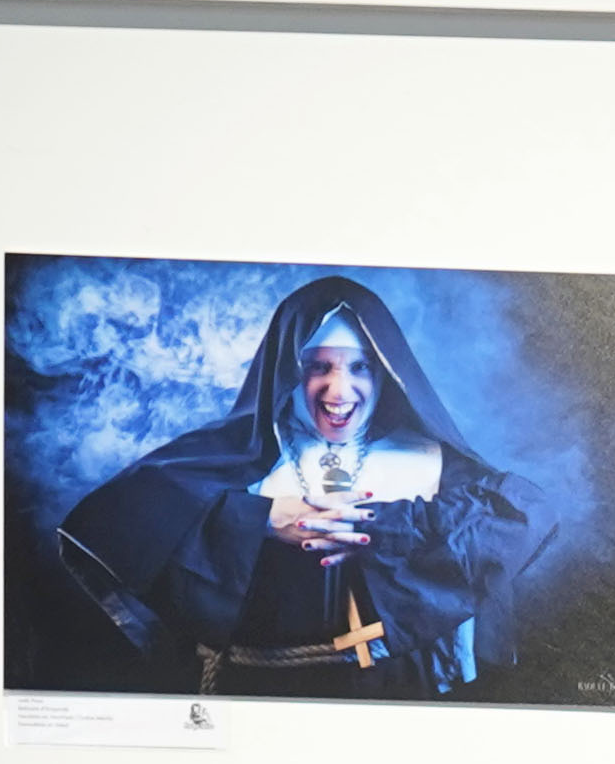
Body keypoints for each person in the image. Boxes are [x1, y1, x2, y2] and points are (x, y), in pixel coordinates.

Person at [49, 272, 531, 696]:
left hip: (395, 686)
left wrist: (383, 527)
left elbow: (523, 514)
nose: (340, 391)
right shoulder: (236, 454)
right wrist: (257, 518)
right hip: (262, 686)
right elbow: (118, 521)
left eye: (359, 366)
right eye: (317, 366)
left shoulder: (425, 458)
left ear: (385, 372)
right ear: (285, 372)